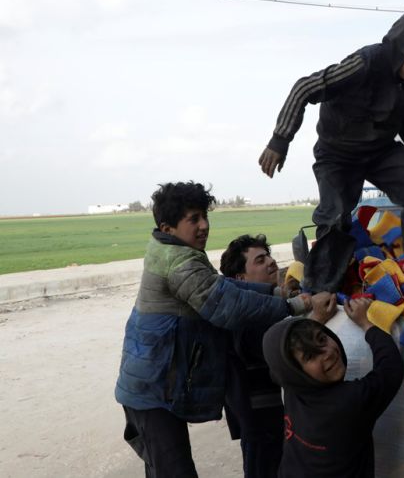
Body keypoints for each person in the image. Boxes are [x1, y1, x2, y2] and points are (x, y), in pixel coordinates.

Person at [114, 181, 333, 477]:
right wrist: (297, 306)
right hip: (152, 388)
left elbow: (222, 285)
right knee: (174, 470)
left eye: (205, 216)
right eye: (194, 219)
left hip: (153, 384)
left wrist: (276, 294)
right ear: (168, 228)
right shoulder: (178, 261)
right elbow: (226, 304)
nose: (204, 226)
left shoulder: (177, 253)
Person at [258, 5, 404, 292]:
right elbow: (304, 88)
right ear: (402, 47)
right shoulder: (364, 64)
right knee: (334, 218)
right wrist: (279, 140)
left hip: (381, 151)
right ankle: (320, 293)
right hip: (338, 155)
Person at [219, 234, 337, 478]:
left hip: (276, 417)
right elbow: (281, 355)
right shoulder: (244, 316)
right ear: (241, 279)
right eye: (260, 260)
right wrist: (316, 321)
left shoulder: (269, 304)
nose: (271, 262)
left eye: (269, 256)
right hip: (261, 420)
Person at [262, 297, 404, 477]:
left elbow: (285, 359)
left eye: (322, 339)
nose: (327, 353)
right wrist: (367, 324)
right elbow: (390, 369)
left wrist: (317, 317)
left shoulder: (294, 387)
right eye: (311, 356)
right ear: (294, 372)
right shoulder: (347, 402)